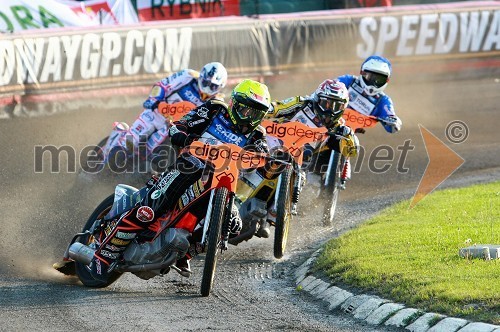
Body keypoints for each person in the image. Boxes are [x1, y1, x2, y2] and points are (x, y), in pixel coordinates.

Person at [90, 79, 272, 282]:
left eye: (256, 113)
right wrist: (181, 134)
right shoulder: (215, 109)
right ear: (234, 104)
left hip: (221, 182)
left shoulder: (257, 135)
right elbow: (182, 123)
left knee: (233, 224)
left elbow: (261, 157)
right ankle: (104, 254)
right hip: (188, 167)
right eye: (246, 110)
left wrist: (270, 161)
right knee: (148, 210)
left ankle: (185, 254)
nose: (249, 117)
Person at [263, 79, 358, 229]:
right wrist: (264, 110)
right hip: (273, 142)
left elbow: (352, 150)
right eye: (327, 104)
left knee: (301, 175)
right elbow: (276, 108)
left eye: (337, 106)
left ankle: (280, 208)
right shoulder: (301, 102)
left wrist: (350, 137)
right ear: (317, 99)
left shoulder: (339, 125)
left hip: (298, 157)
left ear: (343, 107)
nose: (330, 110)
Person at [123, 62, 228, 156]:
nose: (207, 88)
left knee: (155, 154)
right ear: (201, 77)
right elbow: (162, 85)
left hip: (175, 127)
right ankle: (112, 150)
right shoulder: (188, 76)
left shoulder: (217, 103)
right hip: (157, 113)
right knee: (128, 142)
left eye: (213, 86)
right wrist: (154, 100)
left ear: (220, 86)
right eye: (205, 83)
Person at [335, 55, 402, 187]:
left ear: (386, 81)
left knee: (354, 146)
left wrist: (392, 121)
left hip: (349, 133)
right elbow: (330, 87)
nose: (373, 82)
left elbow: (391, 118)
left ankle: (339, 176)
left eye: (379, 79)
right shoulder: (348, 81)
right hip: (329, 122)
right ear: (362, 73)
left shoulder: (383, 100)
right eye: (370, 77)